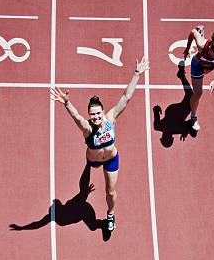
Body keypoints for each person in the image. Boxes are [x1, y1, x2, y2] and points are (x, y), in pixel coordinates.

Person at [51, 57, 149, 232]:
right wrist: (67, 103)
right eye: (92, 114)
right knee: (83, 187)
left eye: (97, 113)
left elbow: (126, 97)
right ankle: (84, 186)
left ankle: (110, 214)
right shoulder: (88, 128)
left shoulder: (110, 118)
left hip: (111, 159)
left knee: (110, 192)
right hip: (94, 160)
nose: (95, 117)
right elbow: (77, 118)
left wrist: (136, 74)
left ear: (102, 111)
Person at [183, 28, 214, 131]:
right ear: (210, 47)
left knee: (199, 82)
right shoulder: (201, 45)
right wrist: (187, 49)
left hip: (209, 67)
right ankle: (193, 117)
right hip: (197, 65)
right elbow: (191, 32)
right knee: (198, 93)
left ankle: (182, 76)